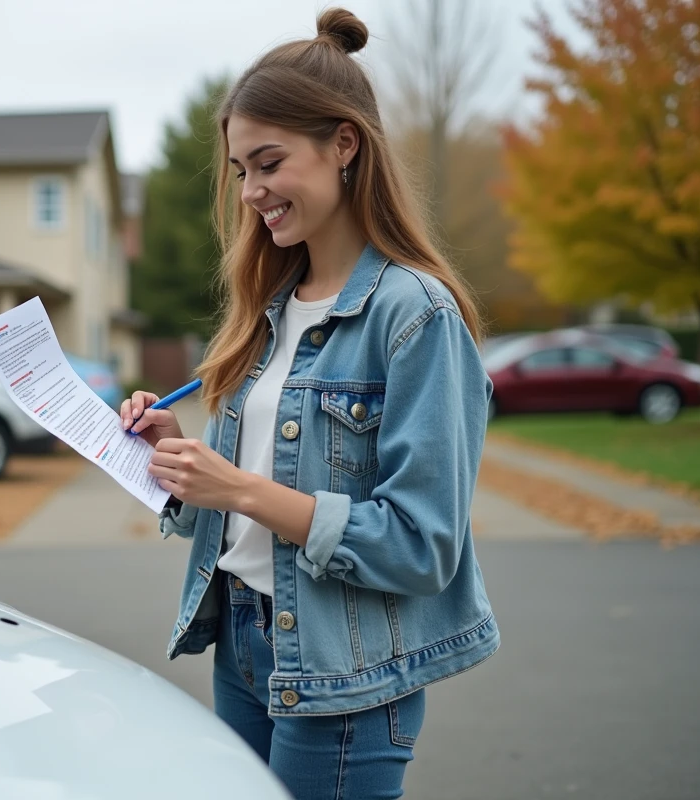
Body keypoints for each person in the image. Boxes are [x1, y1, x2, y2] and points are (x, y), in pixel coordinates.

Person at [121, 8, 498, 799]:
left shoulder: (416, 318)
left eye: (269, 163)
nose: (252, 192)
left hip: (342, 674)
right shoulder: (267, 309)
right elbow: (241, 504)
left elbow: (422, 545)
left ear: (344, 145)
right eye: (240, 171)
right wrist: (181, 456)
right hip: (243, 642)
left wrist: (241, 489)